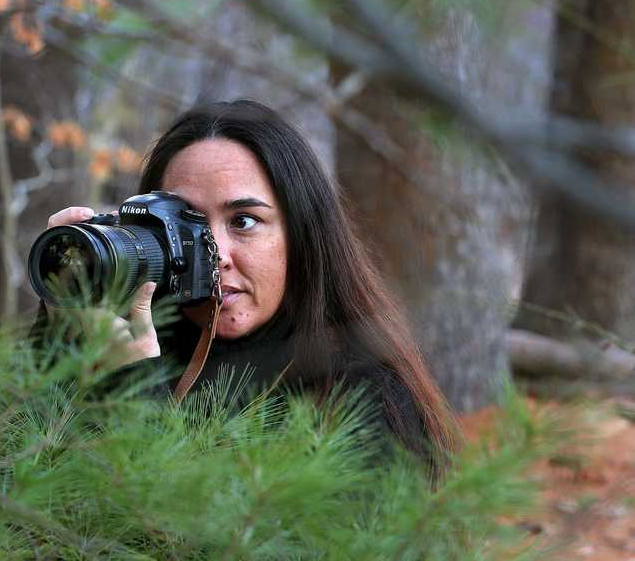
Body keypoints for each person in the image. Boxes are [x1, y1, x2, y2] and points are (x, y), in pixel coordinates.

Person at [41, 99, 458, 473]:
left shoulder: (364, 399)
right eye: (188, 223)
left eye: (243, 221)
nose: (216, 252)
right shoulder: (124, 346)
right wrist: (54, 346)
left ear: (302, 235)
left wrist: (136, 399)